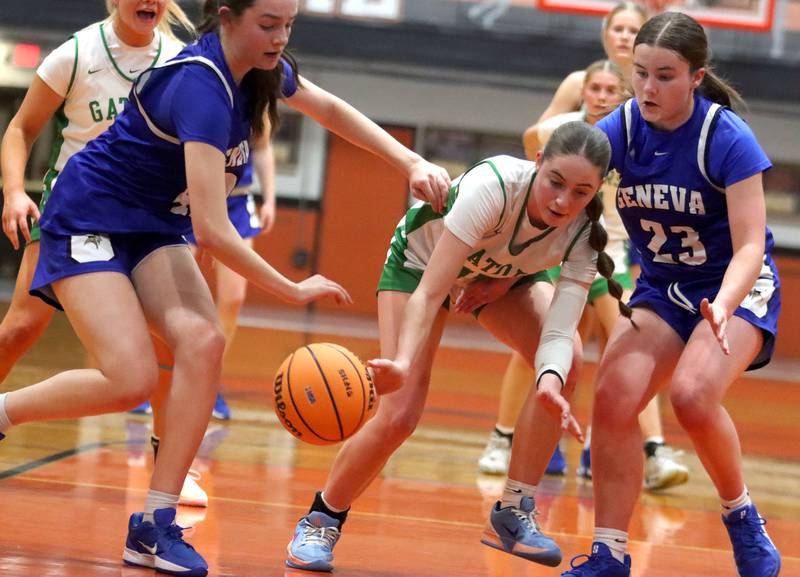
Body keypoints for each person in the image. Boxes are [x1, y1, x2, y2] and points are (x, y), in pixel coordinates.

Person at [0, 0, 449, 575]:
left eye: (288, 25)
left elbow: (329, 108)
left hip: (152, 222)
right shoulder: (199, 86)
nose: (280, 37)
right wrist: (289, 287)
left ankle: (155, 526)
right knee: (130, 377)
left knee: (204, 342)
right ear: (226, 17)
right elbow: (212, 228)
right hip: (90, 216)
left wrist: (409, 160)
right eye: (268, 24)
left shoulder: (261, 69)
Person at [285, 121, 630, 573]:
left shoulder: (588, 231)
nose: (564, 201)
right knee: (400, 414)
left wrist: (548, 381)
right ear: (538, 162)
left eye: (581, 192)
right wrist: (403, 362)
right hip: (421, 264)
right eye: (555, 183)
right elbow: (431, 291)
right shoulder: (495, 186)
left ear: (597, 190)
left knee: (564, 369)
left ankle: (512, 510)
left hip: (504, 276)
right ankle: (321, 518)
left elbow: (562, 330)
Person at [563, 12, 781, 577]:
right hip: (666, 287)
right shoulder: (621, 129)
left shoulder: (725, 136)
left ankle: (741, 516)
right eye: (640, 74)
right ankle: (609, 552)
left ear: (695, 77)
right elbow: (560, 186)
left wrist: (727, 304)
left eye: (664, 76)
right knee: (612, 398)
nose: (648, 88)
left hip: (735, 285)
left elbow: (751, 243)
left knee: (690, 396)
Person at [0, 0, 216, 507]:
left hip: (144, 219)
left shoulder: (180, 61)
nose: (148, 1)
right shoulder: (76, 54)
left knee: (171, 342)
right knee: (20, 328)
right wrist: (13, 190)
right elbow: (20, 129)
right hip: (74, 210)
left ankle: (170, 462)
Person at [478, 2, 688, 489]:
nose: (623, 36)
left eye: (633, 29)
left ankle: (620, 446)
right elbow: (535, 137)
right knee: (550, 341)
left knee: (626, 342)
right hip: (561, 241)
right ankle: (505, 437)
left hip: (613, 245)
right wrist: (579, 131)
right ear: (605, 34)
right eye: (617, 28)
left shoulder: (647, 106)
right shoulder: (581, 84)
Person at [131, 132, 277, 421]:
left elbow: (262, 146)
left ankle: (209, 383)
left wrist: (270, 199)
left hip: (235, 202)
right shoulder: (206, 91)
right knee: (167, 293)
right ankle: (156, 380)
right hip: (192, 195)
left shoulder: (258, 93)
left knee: (234, 297)